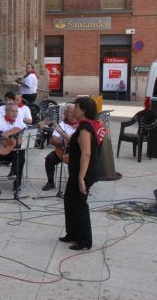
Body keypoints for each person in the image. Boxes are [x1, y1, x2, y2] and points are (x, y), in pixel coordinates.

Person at [60, 97, 105, 251]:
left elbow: (86, 153)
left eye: (77, 107)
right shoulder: (84, 126)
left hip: (83, 171)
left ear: (84, 110)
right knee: (69, 200)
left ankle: (84, 240)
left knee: (79, 204)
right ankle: (72, 233)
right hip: (77, 169)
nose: (74, 110)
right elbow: (75, 142)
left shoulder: (86, 128)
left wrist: (81, 178)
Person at [41, 104, 78, 191]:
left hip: (76, 153)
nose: (73, 114)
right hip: (62, 151)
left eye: (74, 112)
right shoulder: (61, 125)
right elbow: (52, 140)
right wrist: (63, 144)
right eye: (70, 112)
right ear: (65, 114)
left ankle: (75, 183)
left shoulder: (81, 125)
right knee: (49, 159)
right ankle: (50, 182)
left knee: (78, 164)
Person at [0, 103, 27, 192]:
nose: (15, 113)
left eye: (16, 111)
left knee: (20, 153)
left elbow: (26, 134)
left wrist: (39, 128)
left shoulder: (20, 123)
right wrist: (4, 136)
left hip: (13, 152)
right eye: (13, 111)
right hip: (0, 150)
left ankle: (16, 183)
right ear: (6, 111)